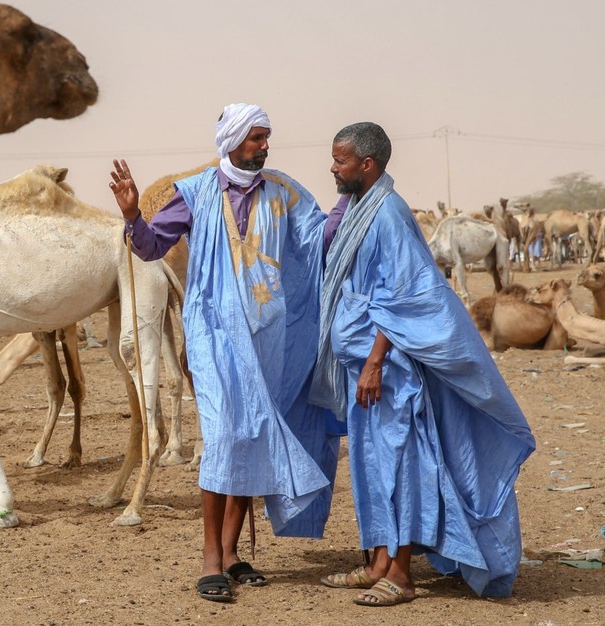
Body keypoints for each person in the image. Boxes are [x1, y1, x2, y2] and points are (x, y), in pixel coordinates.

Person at [108, 103, 339, 603]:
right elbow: (149, 247)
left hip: (269, 341)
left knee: (254, 434)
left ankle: (232, 553)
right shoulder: (193, 195)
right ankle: (210, 557)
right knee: (224, 439)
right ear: (232, 140)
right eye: (256, 137)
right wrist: (131, 215)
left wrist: (353, 200)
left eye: (266, 137)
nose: (264, 146)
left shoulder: (283, 192)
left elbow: (318, 238)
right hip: (213, 339)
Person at [310, 122, 536, 606]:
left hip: (386, 373)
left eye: (341, 160)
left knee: (401, 466)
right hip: (360, 369)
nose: (333, 167)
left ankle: (401, 573)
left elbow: (404, 295)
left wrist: (374, 362)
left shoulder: (387, 214)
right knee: (371, 467)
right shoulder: (357, 209)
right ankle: (375, 563)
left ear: (366, 165)